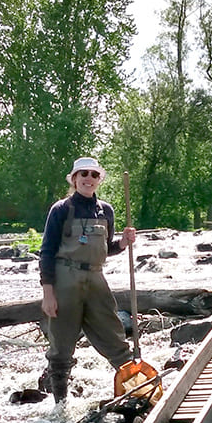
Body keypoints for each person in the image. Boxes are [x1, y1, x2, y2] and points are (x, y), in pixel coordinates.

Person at [39, 156, 138, 403]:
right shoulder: (60, 210)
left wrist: (124, 243)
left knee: (114, 333)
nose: (89, 179)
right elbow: (47, 252)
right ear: (74, 179)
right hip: (65, 278)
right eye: (83, 174)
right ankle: (60, 404)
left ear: (99, 180)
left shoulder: (106, 210)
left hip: (96, 278)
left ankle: (137, 388)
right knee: (61, 342)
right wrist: (48, 294)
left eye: (94, 175)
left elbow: (107, 247)